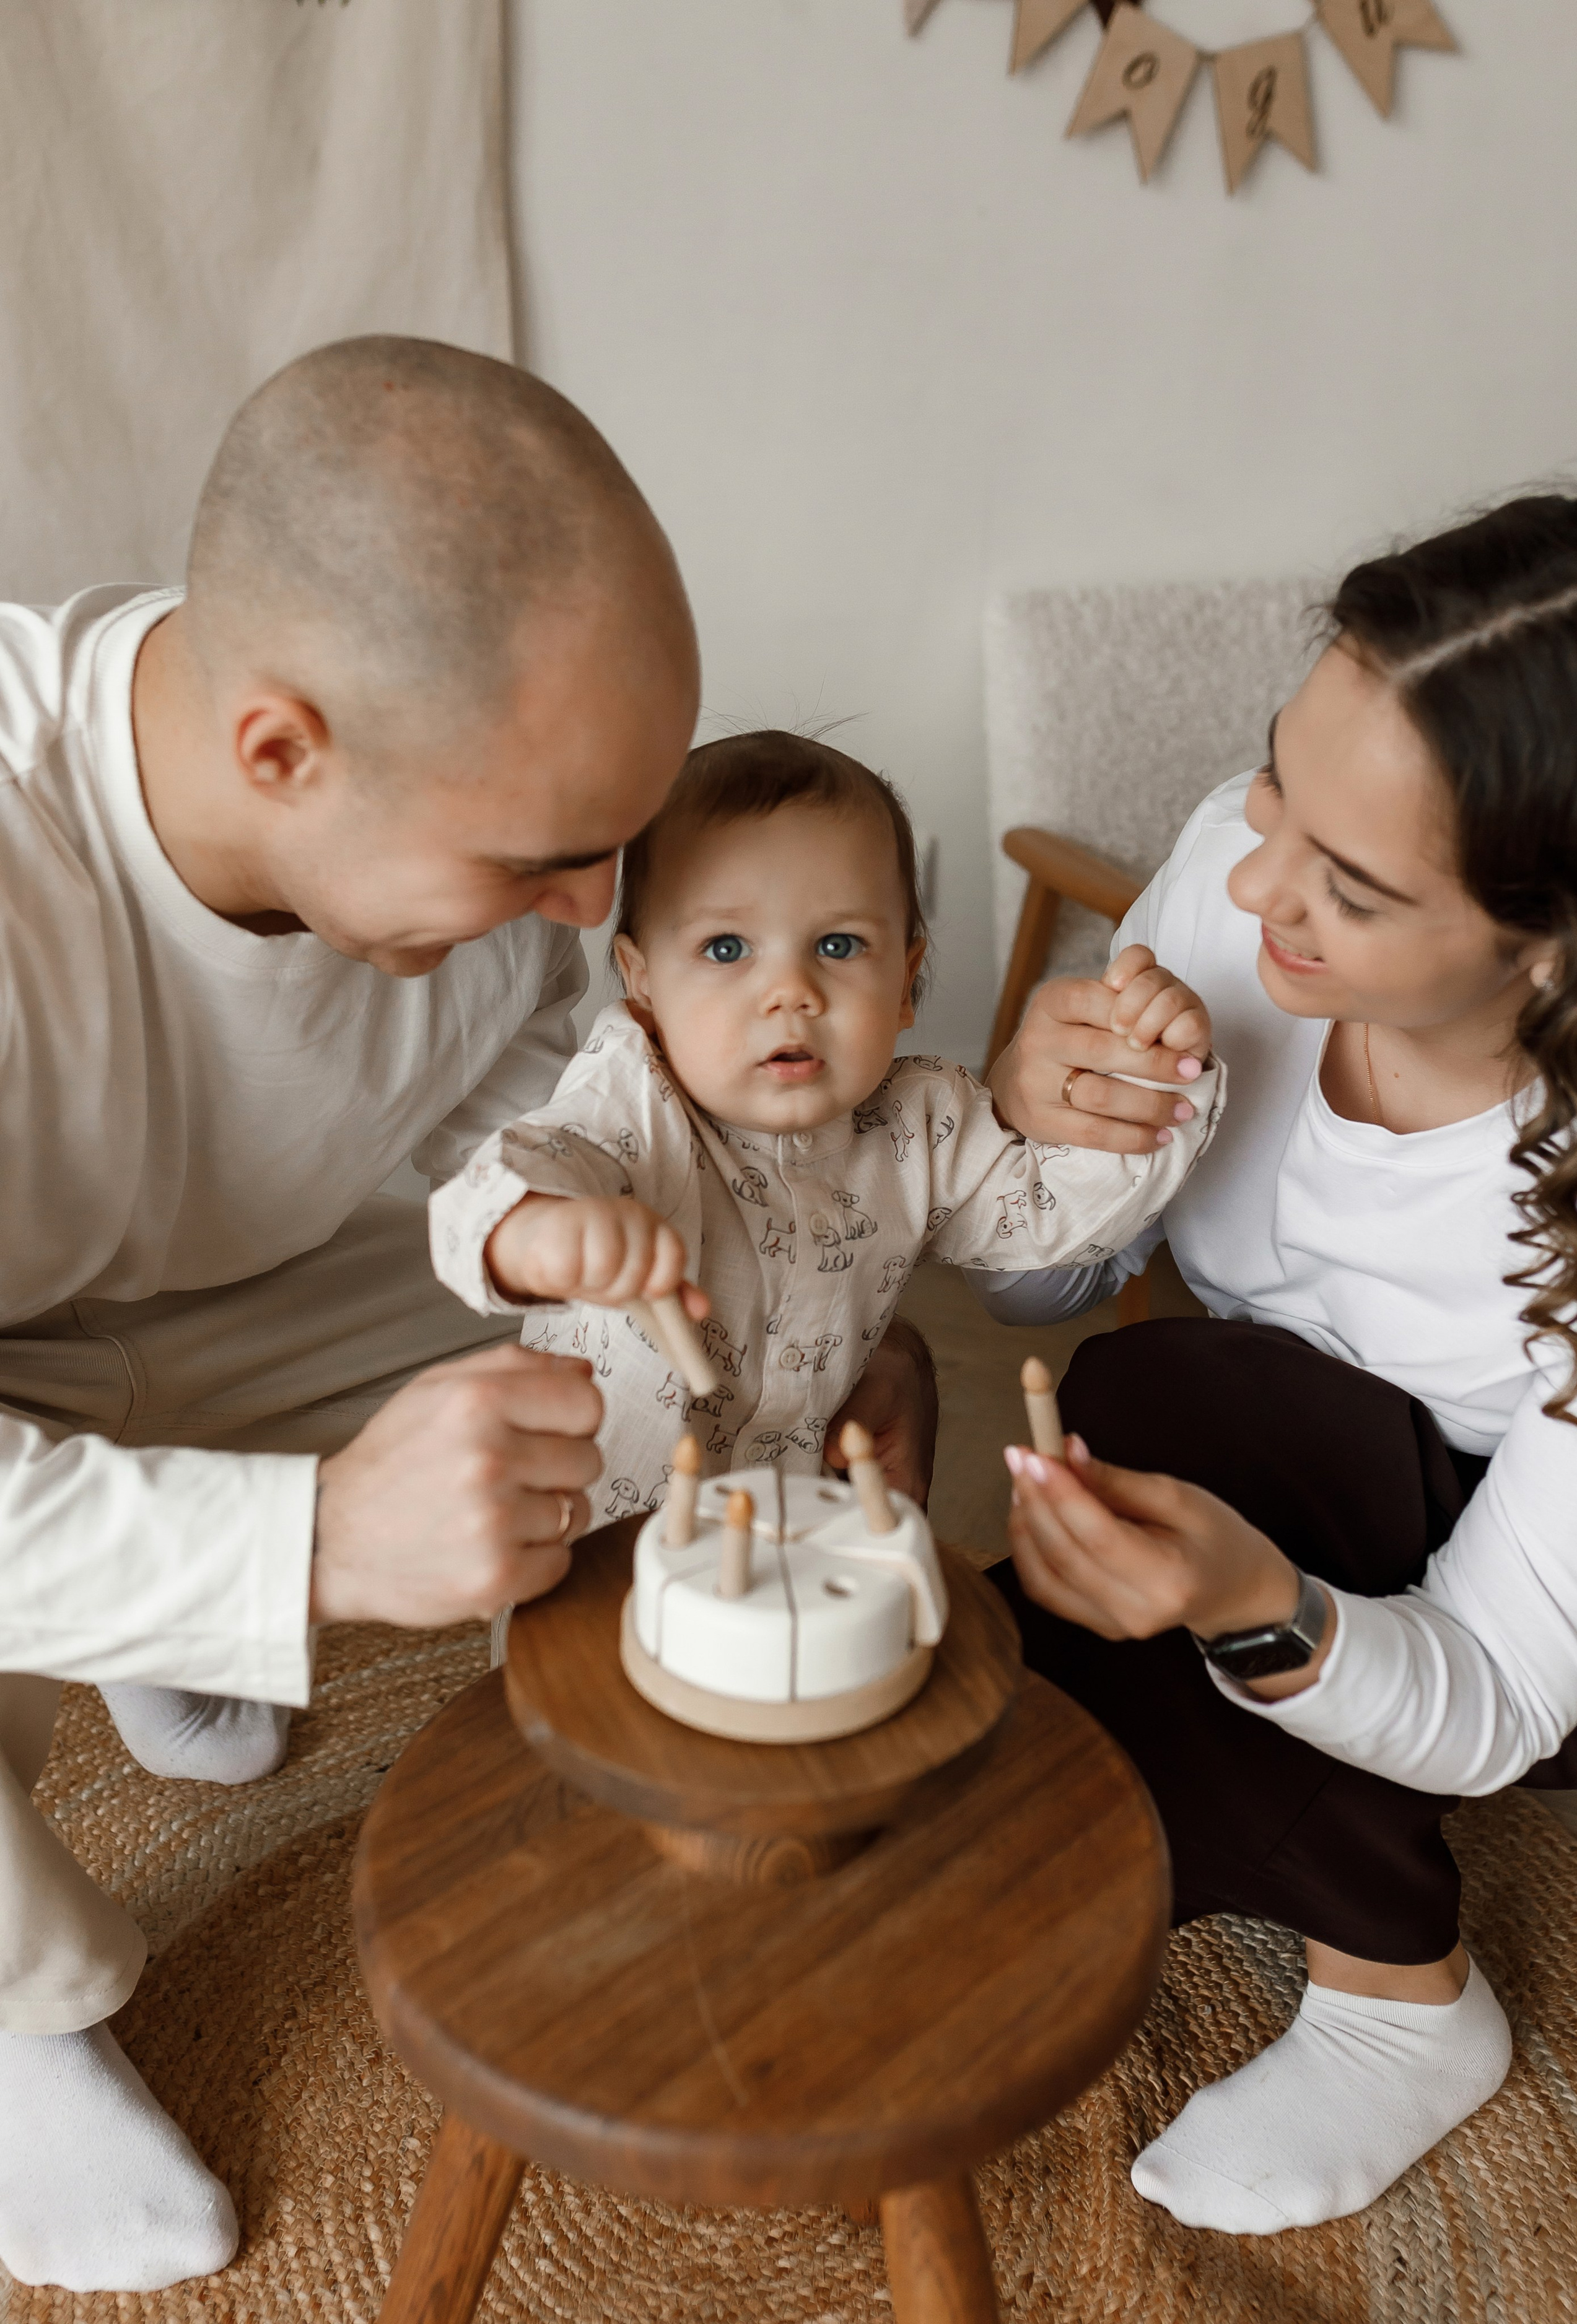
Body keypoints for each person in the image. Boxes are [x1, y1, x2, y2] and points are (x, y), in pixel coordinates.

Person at [0, 338, 938, 2296]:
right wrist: (317, 1538)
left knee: (675, 1333)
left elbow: (536, 1122)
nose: (596, 904)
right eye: (540, 859)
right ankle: (27, 2018)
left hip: (237, 1279)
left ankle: (175, 1579)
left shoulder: (489, 842)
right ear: (282, 751)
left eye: (616, 840)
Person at [978, 492, 1577, 2235]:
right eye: (1274, 795)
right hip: (1269, 1473)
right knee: (1067, 1543)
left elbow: (1500, 1689)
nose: (1253, 892)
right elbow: (1036, 1294)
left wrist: (1259, 1604)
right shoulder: (1240, 908)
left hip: (1528, 1623)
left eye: (1353, 884)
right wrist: (1048, 1133)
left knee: (1187, 1408)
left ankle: (1402, 1998)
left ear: (1548, 951)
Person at [428, 731, 1223, 1507]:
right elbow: (517, 1170)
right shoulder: (633, 1095)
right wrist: (535, 1232)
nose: (791, 992)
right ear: (642, 982)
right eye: (727, 949)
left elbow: (1054, 1221)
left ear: (906, 982)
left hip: (786, 1507)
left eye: (838, 945)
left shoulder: (922, 1122)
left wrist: (1149, 1082)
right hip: (594, 1516)